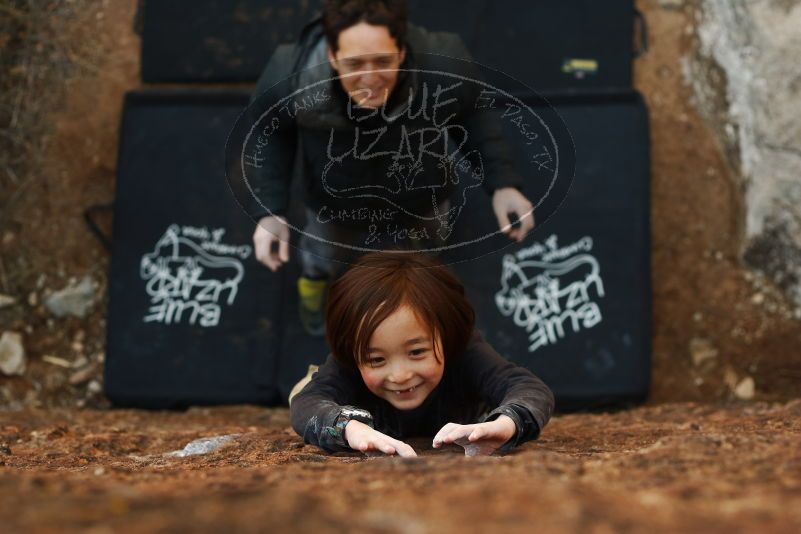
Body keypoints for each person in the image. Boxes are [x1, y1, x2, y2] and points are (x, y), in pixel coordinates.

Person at [245, 0, 536, 335]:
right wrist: (270, 209)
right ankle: (315, 286)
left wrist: (502, 183)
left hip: (420, 194)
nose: (369, 79)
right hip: (335, 200)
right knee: (322, 257)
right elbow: (270, 135)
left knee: (422, 261)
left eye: (382, 61)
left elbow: (472, 115)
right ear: (332, 57)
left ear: (401, 52)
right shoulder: (290, 76)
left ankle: (416, 307)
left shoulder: (443, 63)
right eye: (354, 63)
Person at [289, 252, 554, 457]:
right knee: (302, 392)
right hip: (347, 402)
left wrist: (505, 424)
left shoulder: (464, 352)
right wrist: (349, 428)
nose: (401, 375)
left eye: (416, 352)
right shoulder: (347, 365)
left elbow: (528, 388)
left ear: (447, 337)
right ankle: (312, 375)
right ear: (351, 353)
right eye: (377, 359)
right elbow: (307, 404)